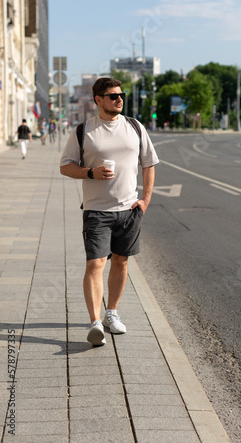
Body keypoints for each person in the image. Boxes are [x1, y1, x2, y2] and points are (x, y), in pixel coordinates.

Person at [60, 78, 159, 347]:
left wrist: (145, 200)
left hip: (128, 209)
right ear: (98, 100)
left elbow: (149, 164)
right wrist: (90, 172)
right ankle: (95, 323)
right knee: (95, 263)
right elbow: (65, 166)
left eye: (120, 94)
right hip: (96, 210)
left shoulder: (135, 127)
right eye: (112, 95)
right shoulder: (84, 132)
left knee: (121, 262)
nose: (119, 99)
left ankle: (111, 313)